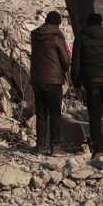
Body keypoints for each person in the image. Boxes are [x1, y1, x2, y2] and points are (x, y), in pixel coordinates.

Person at [72, 12, 103, 155]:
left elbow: (76, 64)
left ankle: (97, 150)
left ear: (88, 24)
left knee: (94, 116)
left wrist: (77, 85)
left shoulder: (81, 39)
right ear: (101, 23)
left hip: (92, 82)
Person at [29, 11, 69, 155]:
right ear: (57, 23)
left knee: (41, 114)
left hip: (37, 80)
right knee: (55, 114)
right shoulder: (56, 37)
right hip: (53, 81)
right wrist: (66, 67)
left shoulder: (35, 35)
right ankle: (55, 146)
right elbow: (65, 61)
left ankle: (40, 146)